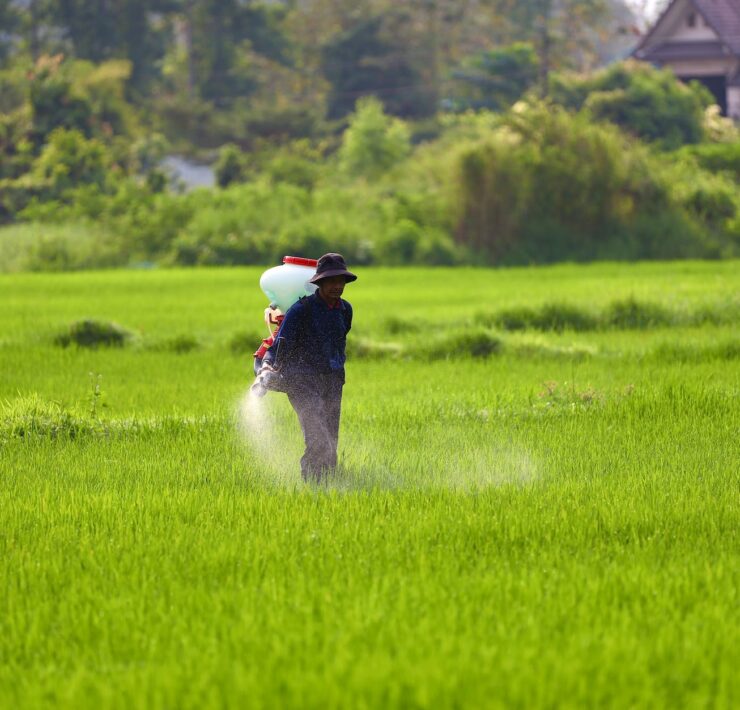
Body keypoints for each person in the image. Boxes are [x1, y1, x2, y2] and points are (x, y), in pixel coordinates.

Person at [262, 253, 357, 482]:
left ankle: (329, 483)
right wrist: (267, 366)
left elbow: (339, 341)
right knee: (317, 437)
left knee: (331, 438)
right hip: (302, 380)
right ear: (320, 282)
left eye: (340, 281)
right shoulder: (301, 310)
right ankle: (312, 485)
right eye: (331, 281)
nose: (337, 286)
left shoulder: (345, 310)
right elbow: (280, 344)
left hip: (333, 380)